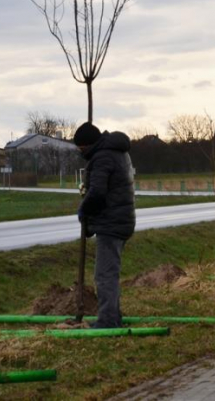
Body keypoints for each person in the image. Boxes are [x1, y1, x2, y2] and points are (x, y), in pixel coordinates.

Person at [74, 122, 135, 328]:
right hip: (120, 220)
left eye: (80, 148)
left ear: (87, 145)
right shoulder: (117, 152)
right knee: (110, 272)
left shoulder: (102, 157)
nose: (80, 152)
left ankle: (108, 320)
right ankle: (113, 316)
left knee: (104, 275)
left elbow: (98, 192)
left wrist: (84, 210)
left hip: (112, 224)